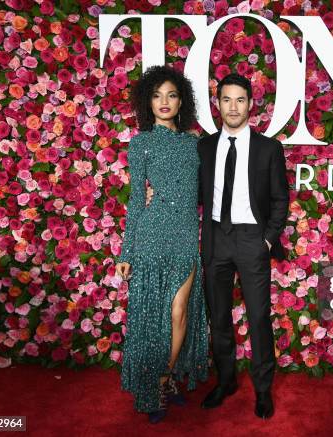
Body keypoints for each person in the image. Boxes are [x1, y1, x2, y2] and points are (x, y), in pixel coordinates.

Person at [115, 65, 208, 424]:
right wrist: (126, 252)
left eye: (171, 94)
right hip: (151, 235)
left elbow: (206, 192)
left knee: (179, 311)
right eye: (156, 96)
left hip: (185, 234)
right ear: (147, 102)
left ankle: (165, 377)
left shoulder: (196, 144)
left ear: (181, 99)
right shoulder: (140, 144)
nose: (164, 102)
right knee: (155, 317)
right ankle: (157, 384)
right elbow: (137, 199)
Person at [197, 73, 289, 419]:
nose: (233, 107)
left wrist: (266, 239)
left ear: (251, 105)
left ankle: (263, 389)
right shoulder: (203, 147)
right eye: (226, 100)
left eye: (240, 100)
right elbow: (196, 194)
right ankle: (225, 381)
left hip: (253, 239)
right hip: (216, 238)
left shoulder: (268, 148)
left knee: (259, 317)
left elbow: (281, 199)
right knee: (218, 318)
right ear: (217, 104)